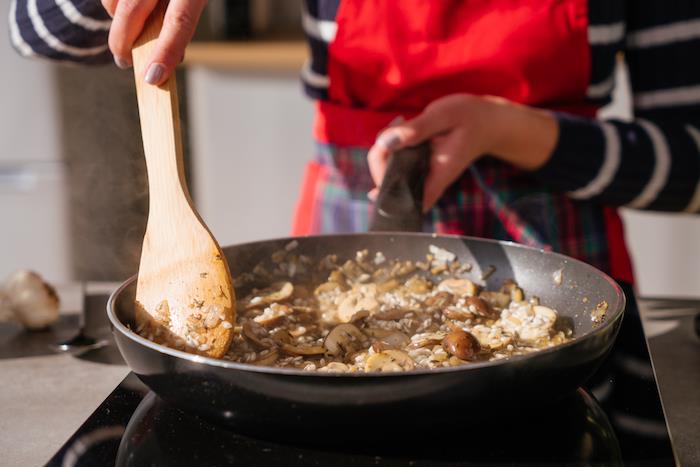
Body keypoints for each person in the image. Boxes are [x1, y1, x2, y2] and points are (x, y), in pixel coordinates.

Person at [10, 0, 700, 286]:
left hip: (561, 278)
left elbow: (690, 165)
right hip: (343, 249)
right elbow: (29, 28)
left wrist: (515, 130)